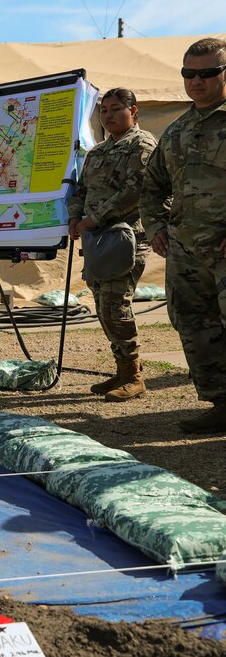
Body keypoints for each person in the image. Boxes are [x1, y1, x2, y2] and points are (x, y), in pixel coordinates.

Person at [141, 37, 226, 433]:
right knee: (194, 325)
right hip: (187, 253)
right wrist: (157, 227)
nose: (197, 80)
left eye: (208, 72)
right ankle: (221, 403)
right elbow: (152, 186)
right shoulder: (177, 130)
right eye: (189, 73)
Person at [68, 89, 157, 402]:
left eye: (116, 109)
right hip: (97, 238)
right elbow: (80, 189)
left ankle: (133, 375)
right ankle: (122, 371)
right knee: (103, 305)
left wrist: (96, 217)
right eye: (103, 110)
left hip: (126, 236)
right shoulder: (97, 152)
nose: (108, 116)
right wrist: (75, 218)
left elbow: (138, 189)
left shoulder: (141, 143)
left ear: (133, 111)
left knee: (116, 305)